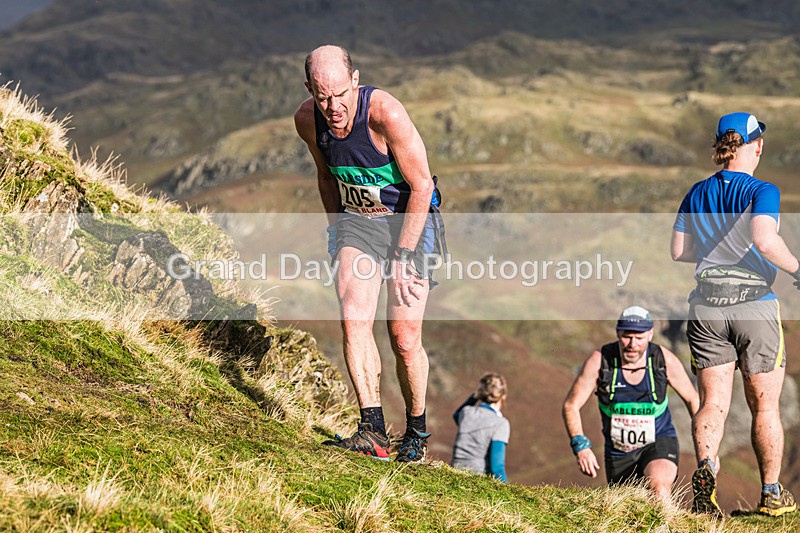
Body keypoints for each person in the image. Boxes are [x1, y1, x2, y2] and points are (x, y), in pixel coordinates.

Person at [294, 45, 444, 462]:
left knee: (403, 336)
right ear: (310, 90)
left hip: (408, 222)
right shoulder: (308, 120)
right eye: (323, 96)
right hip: (357, 224)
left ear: (355, 81)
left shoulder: (385, 114)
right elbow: (326, 176)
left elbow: (422, 187)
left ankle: (416, 430)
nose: (333, 106)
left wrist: (403, 256)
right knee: (352, 317)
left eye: (340, 94)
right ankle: (372, 430)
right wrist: (335, 232)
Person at [671, 112, 798, 517]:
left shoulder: (696, 192)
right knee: (765, 406)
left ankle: (706, 470)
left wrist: (713, 252)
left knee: (713, 402)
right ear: (756, 145)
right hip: (753, 303)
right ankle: (772, 494)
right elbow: (764, 238)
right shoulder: (763, 190)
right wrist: (797, 269)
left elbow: (679, 251)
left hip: (706, 306)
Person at [562, 306, 699, 502]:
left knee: (658, 486)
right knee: (626, 508)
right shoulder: (601, 361)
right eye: (627, 336)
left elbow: (693, 399)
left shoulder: (663, 360)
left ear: (650, 335)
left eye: (639, 338)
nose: (632, 344)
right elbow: (571, 405)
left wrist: (706, 449)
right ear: (618, 333)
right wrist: (581, 447)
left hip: (658, 441)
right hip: (618, 452)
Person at [451, 373, 510, 482]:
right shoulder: (501, 423)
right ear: (503, 396)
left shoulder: (466, 412)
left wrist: (474, 398)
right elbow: (497, 468)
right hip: (479, 479)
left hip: (454, 473)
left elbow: (456, 415)